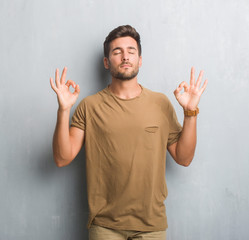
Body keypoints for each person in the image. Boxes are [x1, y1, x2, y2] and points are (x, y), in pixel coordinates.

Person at [49, 25, 208, 240]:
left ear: (140, 60)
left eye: (131, 51)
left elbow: (184, 157)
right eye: (117, 52)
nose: (125, 57)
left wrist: (190, 112)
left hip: (152, 225)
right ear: (106, 62)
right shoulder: (90, 106)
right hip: (105, 226)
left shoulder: (160, 103)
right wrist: (64, 110)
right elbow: (62, 158)